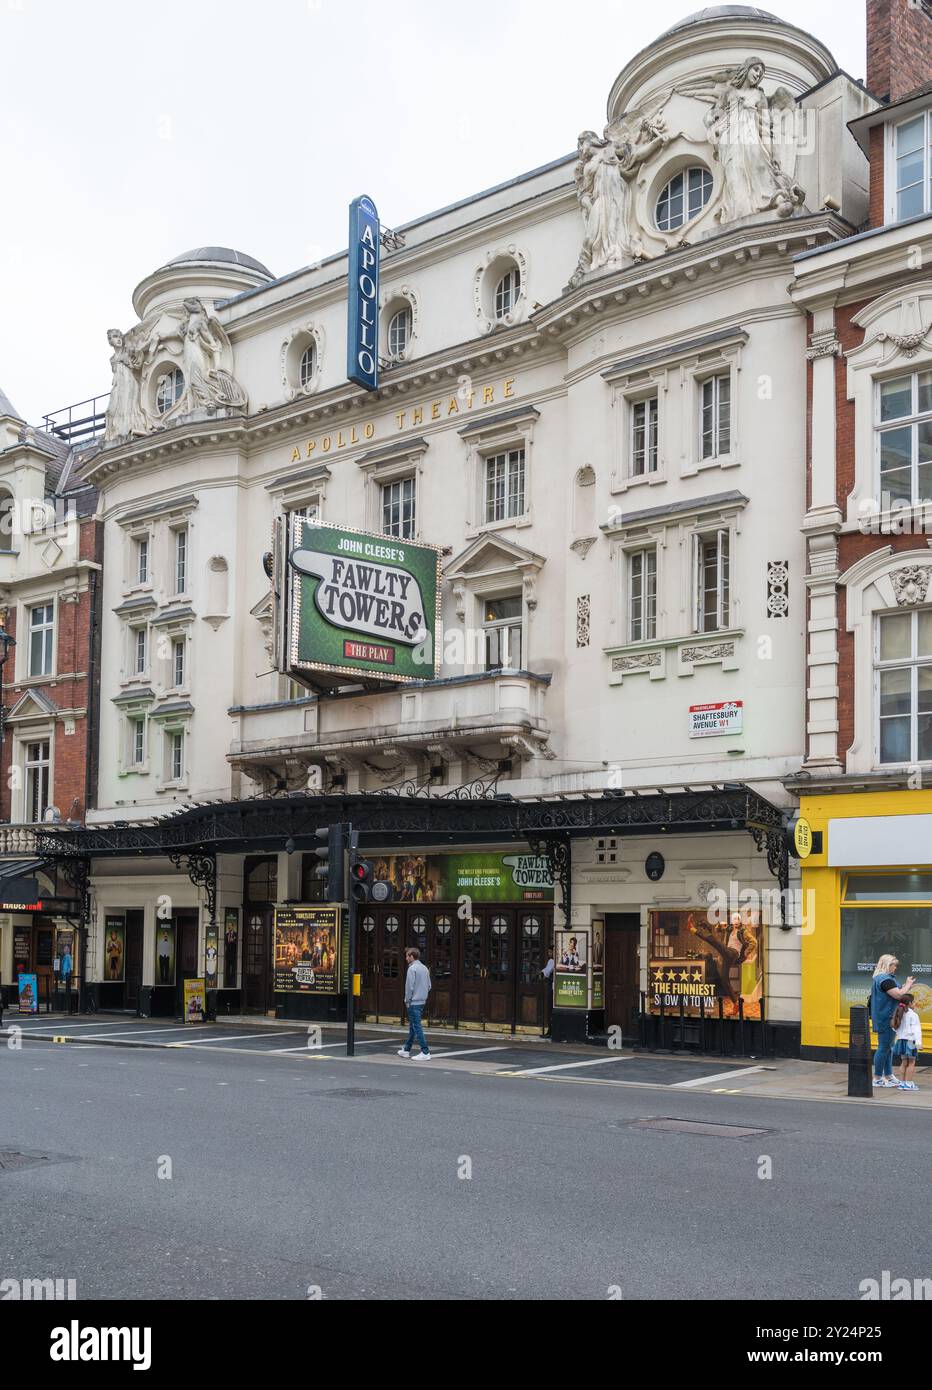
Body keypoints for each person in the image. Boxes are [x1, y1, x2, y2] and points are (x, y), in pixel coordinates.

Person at [871, 954, 915, 1088]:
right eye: (893, 965)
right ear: (886, 965)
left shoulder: (884, 979)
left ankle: (889, 1076)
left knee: (888, 1048)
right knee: (884, 1047)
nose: (895, 967)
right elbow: (899, 995)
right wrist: (908, 984)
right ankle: (877, 1077)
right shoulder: (885, 980)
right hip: (887, 1018)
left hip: (888, 1017)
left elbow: (897, 991)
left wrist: (905, 986)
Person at [398, 947, 431, 1060]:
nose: (406, 958)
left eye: (407, 956)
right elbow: (429, 986)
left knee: (416, 1026)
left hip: (413, 1002)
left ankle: (425, 1052)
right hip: (422, 1001)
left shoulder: (412, 969)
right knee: (413, 1026)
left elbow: (409, 988)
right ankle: (406, 1050)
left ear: (412, 956)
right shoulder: (425, 968)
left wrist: (407, 1000)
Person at [892, 993, 922, 1092]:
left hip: (901, 1040)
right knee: (911, 1062)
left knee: (904, 1062)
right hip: (910, 1041)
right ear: (910, 1003)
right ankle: (909, 1084)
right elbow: (916, 1029)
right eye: (913, 1001)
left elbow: (894, 1027)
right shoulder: (913, 1015)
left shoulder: (898, 1013)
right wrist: (918, 1043)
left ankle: (902, 1083)